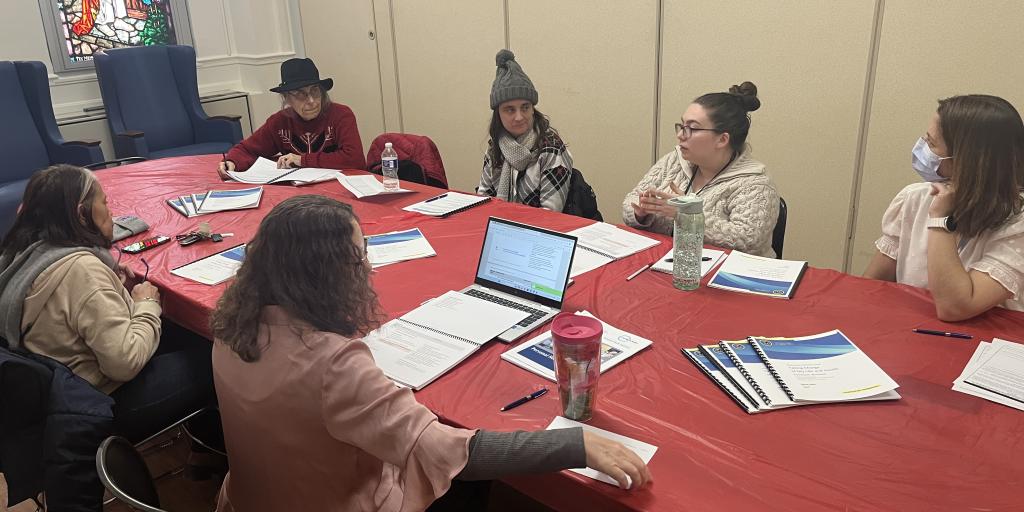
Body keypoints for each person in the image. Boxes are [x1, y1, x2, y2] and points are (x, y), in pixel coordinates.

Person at [210, 195, 652, 512]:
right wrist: (574, 443)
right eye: (358, 258)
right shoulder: (334, 364)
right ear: (324, 275)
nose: (367, 268)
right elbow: (451, 453)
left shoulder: (231, 325)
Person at [0, 164, 218, 455]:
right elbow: (124, 362)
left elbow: (72, 312)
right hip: (99, 403)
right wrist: (146, 303)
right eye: (104, 202)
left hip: (54, 398)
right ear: (80, 214)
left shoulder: (19, 256)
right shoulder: (81, 271)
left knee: (180, 333)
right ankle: (213, 456)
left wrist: (113, 290)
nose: (111, 210)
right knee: (216, 355)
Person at [863, 95, 1024, 320]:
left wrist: (940, 220)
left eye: (931, 144)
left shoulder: (1018, 224)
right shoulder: (914, 198)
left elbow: (955, 307)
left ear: (967, 160)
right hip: (909, 335)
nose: (922, 149)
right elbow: (869, 287)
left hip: (982, 347)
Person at [622, 82, 780, 257]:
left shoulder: (755, 182)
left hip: (728, 277)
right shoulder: (674, 160)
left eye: (692, 128)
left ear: (722, 139)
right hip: (668, 264)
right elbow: (630, 202)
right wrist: (642, 213)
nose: (681, 135)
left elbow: (748, 241)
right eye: (682, 126)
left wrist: (687, 215)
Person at [218, 58, 366, 177]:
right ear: (287, 98)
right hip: (298, 194)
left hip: (340, 188)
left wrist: (302, 160)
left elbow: (355, 159)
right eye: (301, 94)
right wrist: (232, 161)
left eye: (315, 91)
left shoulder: (341, 115)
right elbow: (247, 149)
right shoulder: (279, 122)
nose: (311, 101)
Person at [477, 50, 573, 212]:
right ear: (498, 114)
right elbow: (484, 197)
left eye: (525, 107)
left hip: (540, 233)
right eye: (510, 110)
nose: (519, 117)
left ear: (533, 109)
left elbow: (551, 215)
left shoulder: (551, 148)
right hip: (502, 227)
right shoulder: (496, 146)